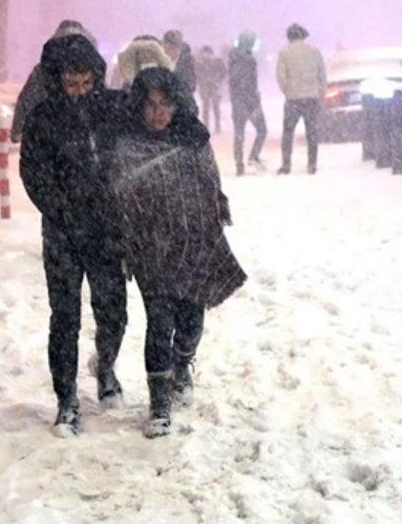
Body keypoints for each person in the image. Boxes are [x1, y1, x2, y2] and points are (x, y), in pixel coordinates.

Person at [108, 67, 246, 437]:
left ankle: (183, 363)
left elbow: (210, 184)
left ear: (177, 104)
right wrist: (127, 238)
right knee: (159, 323)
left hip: (192, 242)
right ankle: (159, 405)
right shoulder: (128, 143)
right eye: (151, 105)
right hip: (150, 248)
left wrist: (213, 218)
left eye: (166, 104)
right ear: (139, 105)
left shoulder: (192, 137)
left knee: (191, 322)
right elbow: (120, 195)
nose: (159, 113)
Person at [19, 33, 130, 437]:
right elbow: (33, 173)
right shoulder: (43, 119)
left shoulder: (114, 109)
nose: (80, 91)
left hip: (107, 230)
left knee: (113, 311)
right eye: (71, 84)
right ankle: (66, 399)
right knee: (64, 317)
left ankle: (106, 366)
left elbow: (157, 122)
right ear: (57, 79)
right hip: (63, 232)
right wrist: (63, 210)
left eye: (87, 83)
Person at [10, 20, 95, 144]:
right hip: (82, 139)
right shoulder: (93, 70)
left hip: (47, 137)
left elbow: (27, 100)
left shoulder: (43, 70)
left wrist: (17, 130)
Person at [275, 23, 327, 175]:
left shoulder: (284, 53)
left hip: (293, 99)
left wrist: (287, 90)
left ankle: (286, 165)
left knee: (288, 132)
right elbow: (322, 74)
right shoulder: (314, 51)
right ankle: (312, 164)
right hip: (311, 97)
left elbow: (280, 76)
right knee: (311, 132)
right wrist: (320, 92)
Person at [227, 30, 267, 176]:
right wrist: (255, 101)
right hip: (250, 101)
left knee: (239, 133)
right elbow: (251, 83)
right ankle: (254, 156)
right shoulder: (249, 60)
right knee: (262, 130)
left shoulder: (232, 58)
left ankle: (239, 165)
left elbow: (233, 81)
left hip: (236, 101)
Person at [194, 45, 227, 134]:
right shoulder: (199, 64)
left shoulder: (216, 62)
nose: (206, 55)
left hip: (214, 87)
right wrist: (201, 80)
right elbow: (196, 74)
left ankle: (217, 127)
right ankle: (208, 126)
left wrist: (218, 80)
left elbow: (224, 71)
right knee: (207, 107)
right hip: (206, 87)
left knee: (214, 107)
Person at [162, 30, 197, 99]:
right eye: (168, 47)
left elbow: (191, 85)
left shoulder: (186, 63)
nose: (171, 50)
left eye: (174, 47)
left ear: (180, 48)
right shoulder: (157, 62)